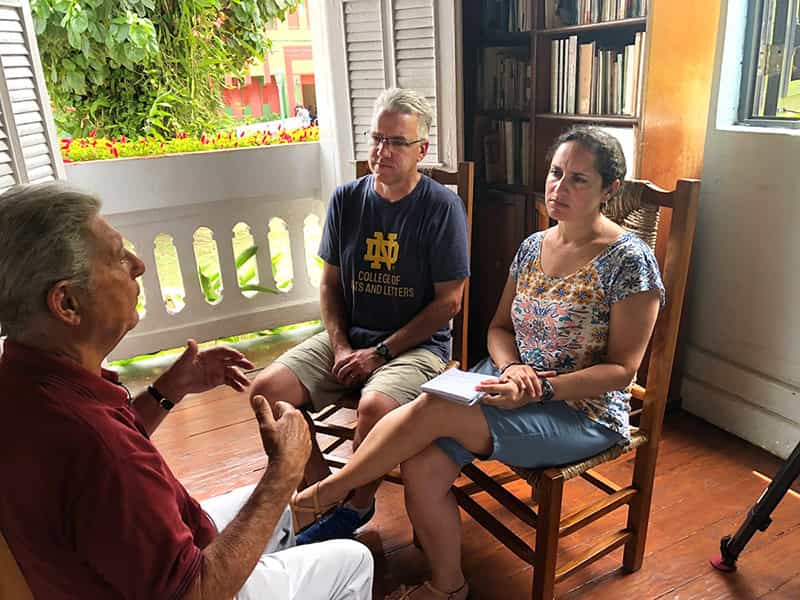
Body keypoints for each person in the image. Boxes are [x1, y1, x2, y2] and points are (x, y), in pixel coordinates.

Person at [290, 126, 665, 600]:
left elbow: (623, 370)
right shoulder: (534, 246)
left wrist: (541, 388)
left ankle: (321, 497)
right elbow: (499, 329)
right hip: (509, 381)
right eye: (555, 173)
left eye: (578, 179)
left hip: (579, 410)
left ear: (609, 189)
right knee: (422, 463)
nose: (559, 187)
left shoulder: (629, 261)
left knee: (435, 406)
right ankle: (449, 585)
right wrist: (511, 370)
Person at [0, 183, 374, 600]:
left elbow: (99, 471)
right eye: (117, 257)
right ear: (66, 303)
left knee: (281, 514)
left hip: (123, 561)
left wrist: (168, 389)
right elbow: (194, 591)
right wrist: (283, 471)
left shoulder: (26, 382)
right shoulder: (96, 445)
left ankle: (286, 562)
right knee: (353, 559)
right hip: (194, 584)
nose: (139, 265)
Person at [250, 87, 470, 544]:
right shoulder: (346, 199)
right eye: (376, 138)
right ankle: (322, 494)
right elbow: (329, 285)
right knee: (266, 391)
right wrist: (342, 345)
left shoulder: (441, 208)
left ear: (422, 150)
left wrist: (380, 352)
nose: (382, 151)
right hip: (351, 337)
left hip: (417, 347)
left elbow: (450, 303)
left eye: (396, 142)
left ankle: (354, 505)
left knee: (374, 408)